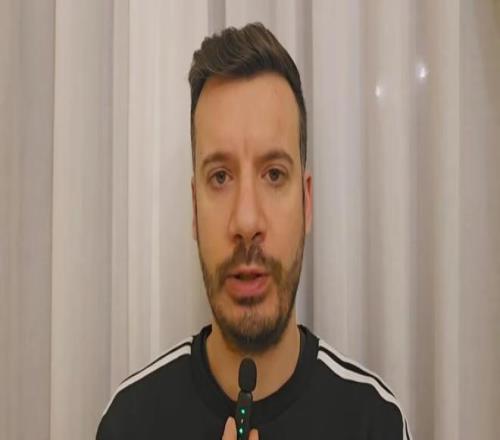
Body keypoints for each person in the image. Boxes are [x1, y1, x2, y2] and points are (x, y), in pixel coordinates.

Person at [96, 22, 411, 439]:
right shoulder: (130, 423)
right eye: (220, 177)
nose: (246, 222)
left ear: (307, 202)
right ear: (194, 208)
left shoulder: (375, 423)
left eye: (274, 174)